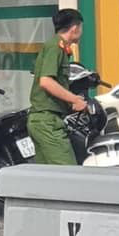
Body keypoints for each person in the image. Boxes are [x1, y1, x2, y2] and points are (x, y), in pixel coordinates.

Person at [27, 9, 88, 165]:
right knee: (68, 174)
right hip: (48, 122)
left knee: (48, 178)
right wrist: (75, 100)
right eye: (80, 28)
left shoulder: (58, 47)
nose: (81, 32)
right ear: (75, 28)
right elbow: (46, 81)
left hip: (44, 121)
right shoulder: (55, 47)